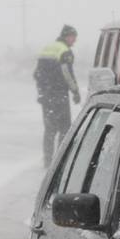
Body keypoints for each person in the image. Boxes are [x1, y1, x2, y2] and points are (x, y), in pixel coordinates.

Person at [34, 24, 81, 166]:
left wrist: (43, 91)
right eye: (73, 37)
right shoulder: (64, 51)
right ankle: (61, 161)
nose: (75, 41)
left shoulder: (46, 48)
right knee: (64, 128)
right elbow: (67, 74)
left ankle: (48, 160)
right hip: (60, 95)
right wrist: (75, 91)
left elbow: (37, 74)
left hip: (46, 96)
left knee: (49, 129)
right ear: (67, 36)